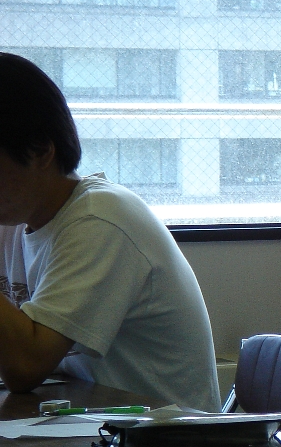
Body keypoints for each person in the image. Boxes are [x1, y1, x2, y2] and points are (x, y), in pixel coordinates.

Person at [0, 53, 220, 411]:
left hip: (167, 438)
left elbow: (26, 366)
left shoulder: (100, 219)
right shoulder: (13, 219)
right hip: (89, 427)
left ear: (40, 151)